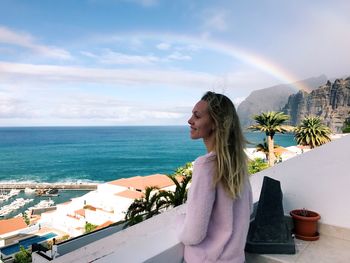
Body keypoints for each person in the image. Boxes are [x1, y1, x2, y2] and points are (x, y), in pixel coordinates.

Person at [178, 91, 253, 263]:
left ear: (215, 123)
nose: (190, 121)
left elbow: (193, 235)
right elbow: (247, 210)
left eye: (197, 116)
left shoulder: (205, 166)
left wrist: (178, 222)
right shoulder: (238, 163)